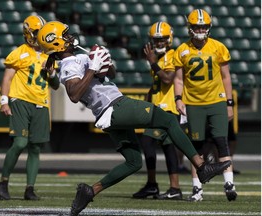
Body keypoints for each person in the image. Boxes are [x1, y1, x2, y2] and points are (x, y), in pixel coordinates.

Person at [37, 21, 231, 215]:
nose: (70, 37)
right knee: (169, 120)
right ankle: (201, 166)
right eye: (65, 35)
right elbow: (74, 95)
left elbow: (107, 74)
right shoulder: (68, 64)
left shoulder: (77, 57)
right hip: (115, 106)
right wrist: (92, 68)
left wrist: (105, 62)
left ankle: (90, 191)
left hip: (109, 113)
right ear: (56, 42)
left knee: (134, 162)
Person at [173, 9, 237, 202]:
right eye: (197, 26)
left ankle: (229, 184)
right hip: (193, 103)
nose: (200, 30)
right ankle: (197, 188)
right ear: (190, 27)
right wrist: (178, 99)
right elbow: (178, 79)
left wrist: (229, 102)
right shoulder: (182, 50)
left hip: (216, 101)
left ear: (208, 27)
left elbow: (226, 77)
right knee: (197, 147)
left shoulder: (218, 47)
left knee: (221, 142)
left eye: (203, 26)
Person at [0, 15, 60, 200]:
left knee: (36, 148)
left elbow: (55, 85)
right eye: (37, 33)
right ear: (28, 33)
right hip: (20, 100)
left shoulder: (49, 56)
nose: (40, 36)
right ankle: (3, 182)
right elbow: (7, 78)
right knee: (20, 143)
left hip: (41, 103)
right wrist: (4, 101)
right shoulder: (19, 53)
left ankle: (29, 188)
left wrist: (52, 73)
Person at [132, 22, 182, 200]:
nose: (159, 43)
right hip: (158, 107)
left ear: (169, 39)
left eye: (162, 39)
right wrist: (147, 102)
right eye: (156, 40)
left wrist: (153, 63)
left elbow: (168, 79)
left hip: (167, 109)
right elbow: (156, 85)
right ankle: (173, 188)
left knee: (147, 142)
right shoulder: (159, 58)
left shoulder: (172, 55)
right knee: (168, 148)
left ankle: (154, 185)